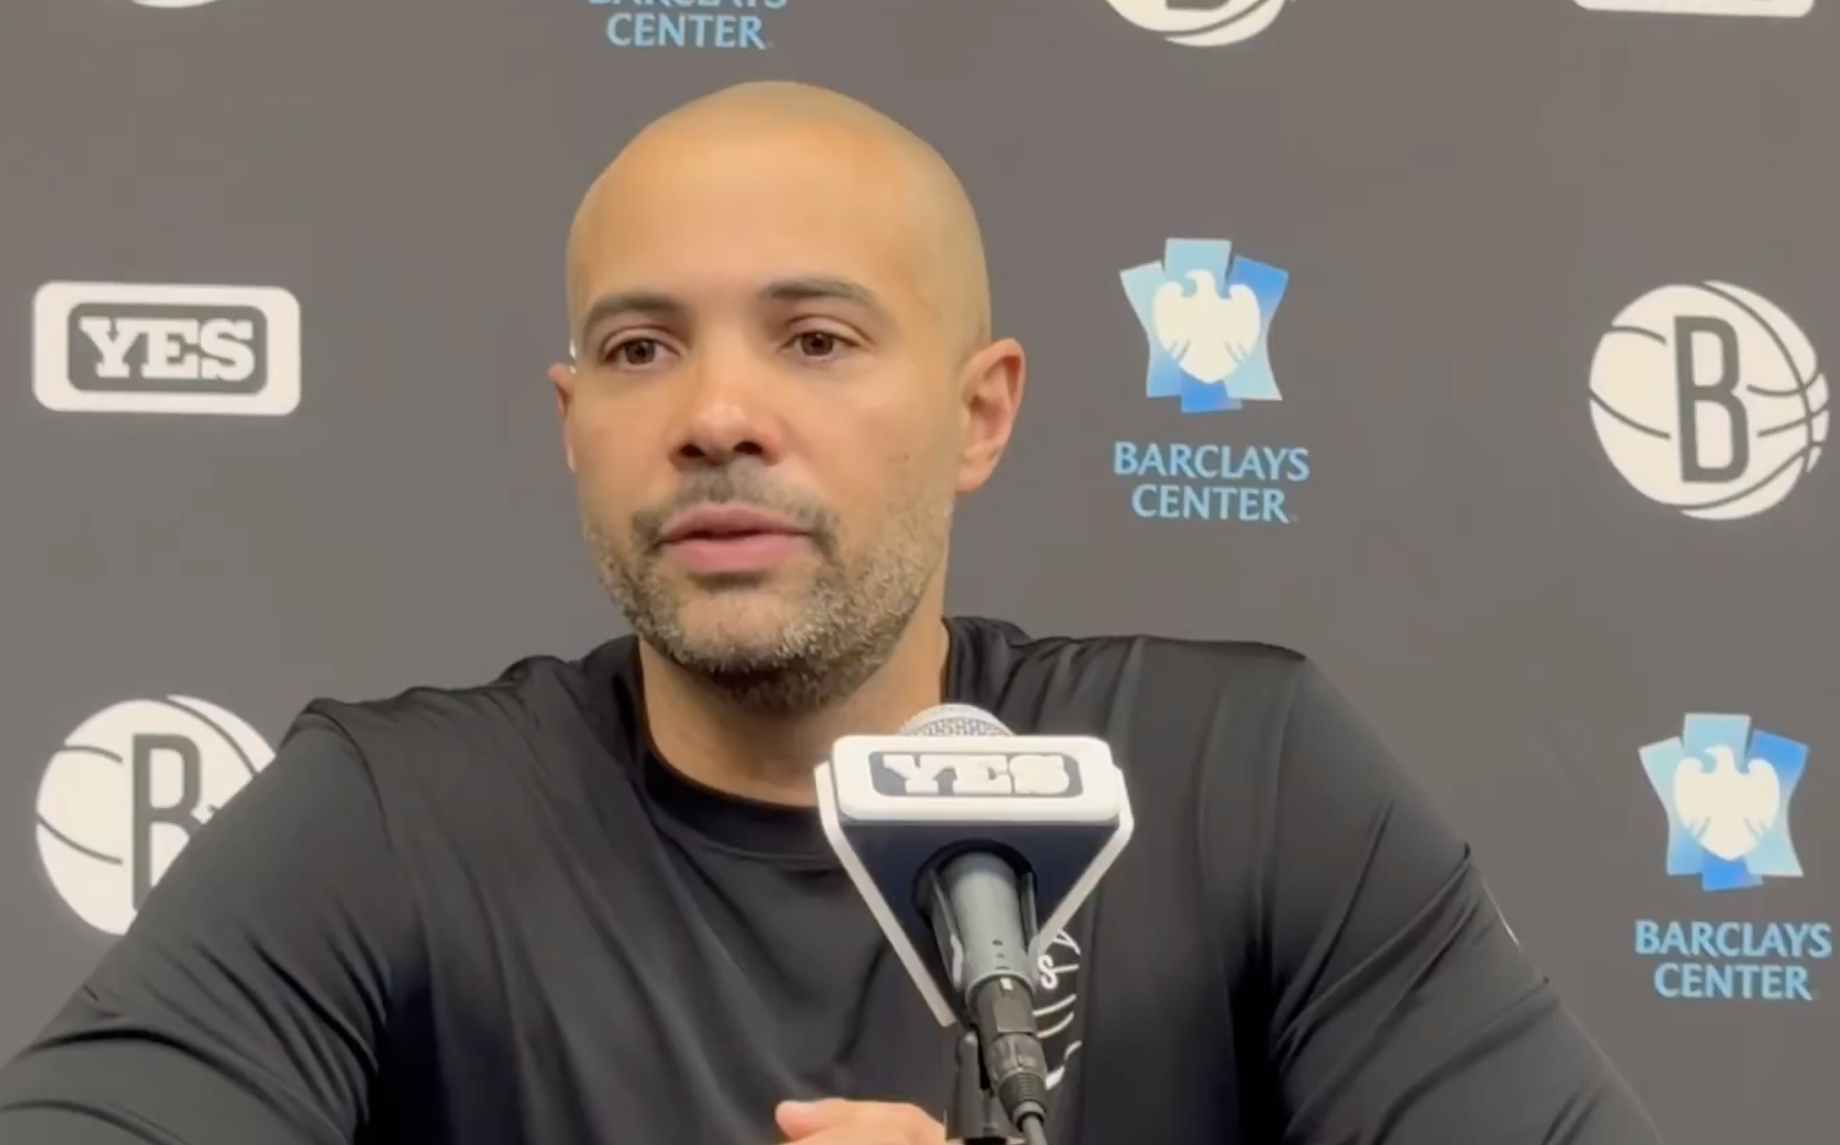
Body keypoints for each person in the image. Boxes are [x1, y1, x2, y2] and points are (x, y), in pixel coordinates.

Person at [0, 81, 1661, 1145]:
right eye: (641, 349)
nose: (717, 415)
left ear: (982, 411)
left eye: (816, 339)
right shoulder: (390, 822)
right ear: (573, 421)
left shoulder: (1243, 775)